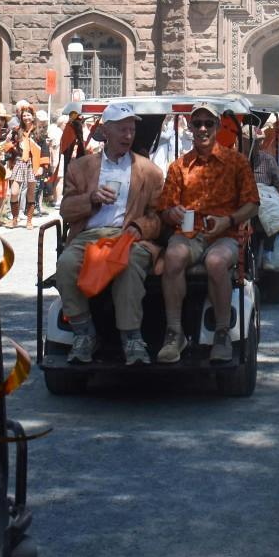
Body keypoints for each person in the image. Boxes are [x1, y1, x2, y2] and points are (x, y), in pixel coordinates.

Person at [53, 101, 164, 366]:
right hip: (88, 236)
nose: (128, 136)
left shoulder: (149, 171)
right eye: (122, 130)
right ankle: (84, 332)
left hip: (128, 235)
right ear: (106, 132)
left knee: (128, 265)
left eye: (131, 131)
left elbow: (158, 217)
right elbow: (66, 211)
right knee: (66, 264)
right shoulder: (81, 167)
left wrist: (140, 228)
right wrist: (91, 199)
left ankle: (132, 337)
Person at [155, 104, 260, 365]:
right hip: (189, 234)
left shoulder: (236, 162)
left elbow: (252, 203)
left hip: (225, 233)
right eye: (197, 123)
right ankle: (174, 332)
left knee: (215, 262)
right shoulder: (179, 167)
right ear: (190, 128)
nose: (202, 128)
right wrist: (174, 214)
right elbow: (165, 210)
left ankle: (222, 332)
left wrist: (229, 220)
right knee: (173, 255)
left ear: (217, 127)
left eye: (208, 123)